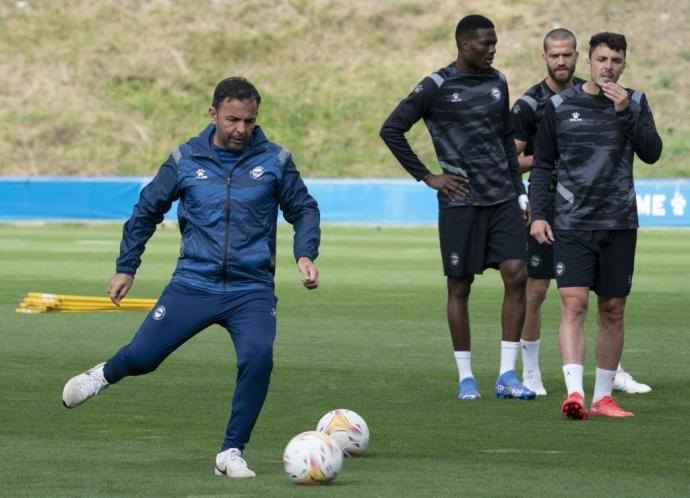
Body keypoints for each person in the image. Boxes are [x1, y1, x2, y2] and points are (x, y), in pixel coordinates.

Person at [62, 76, 321, 476]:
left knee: (258, 356)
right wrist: (126, 267)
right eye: (233, 119)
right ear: (213, 114)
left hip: (250, 289)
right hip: (193, 283)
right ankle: (103, 375)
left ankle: (230, 452)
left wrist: (305, 252)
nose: (241, 129)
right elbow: (147, 209)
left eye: (249, 121)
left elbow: (303, 208)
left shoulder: (275, 160)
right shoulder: (185, 160)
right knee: (144, 357)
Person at [380, 14, 535, 401]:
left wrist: (520, 192)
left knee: (517, 275)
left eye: (495, 42)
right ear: (465, 45)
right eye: (486, 43)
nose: (493, 49)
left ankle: (506, 374)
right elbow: (392, 129)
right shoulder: (436, 85)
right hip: (460, 201)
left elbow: (505, 138)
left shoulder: (498, 81)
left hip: (501, 197)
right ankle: (466, 376)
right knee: (460, 286)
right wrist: (428, 176)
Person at [530, 33, 662, 419]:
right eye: (602, 59)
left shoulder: (634, 102)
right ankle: (575, 394)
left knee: (613, 308)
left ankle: (604, 397)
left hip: (619, 221)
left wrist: (626, 114)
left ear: (624, 63)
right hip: (572, 222)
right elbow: (541, 164)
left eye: (616, 60)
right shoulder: (559, 105)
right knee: (573, 304)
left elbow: (651, 153)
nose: (609, 67)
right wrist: (539, 213)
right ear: (588, 60)